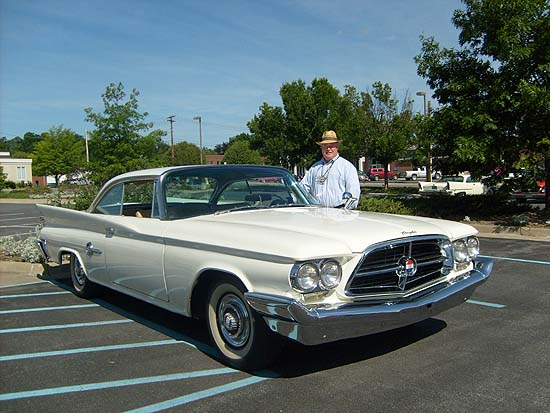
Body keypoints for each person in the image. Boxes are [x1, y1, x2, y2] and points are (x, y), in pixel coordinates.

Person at [301, 130, 361, 208]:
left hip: (339, 213)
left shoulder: (347, 167)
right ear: (321, 148)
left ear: (337, 147)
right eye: (325, 146)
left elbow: (353, 195)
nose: (328, 149)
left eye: (331, 145)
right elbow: (302, 189)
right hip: (317, 212)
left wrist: (344, 211)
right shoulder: (314, 168)